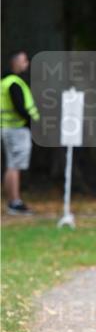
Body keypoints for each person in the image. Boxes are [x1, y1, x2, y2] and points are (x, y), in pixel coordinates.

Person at [1, 50, 40, 214]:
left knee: (11, 165)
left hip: (7, 127)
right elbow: (20, 107)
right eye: (24, 61)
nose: (27, 64)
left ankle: (12, 201)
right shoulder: (14, 83)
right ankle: (15, 202)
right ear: (15, 62)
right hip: (17, 129)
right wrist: (31, 121)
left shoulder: (5, 81)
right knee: (15, 166)